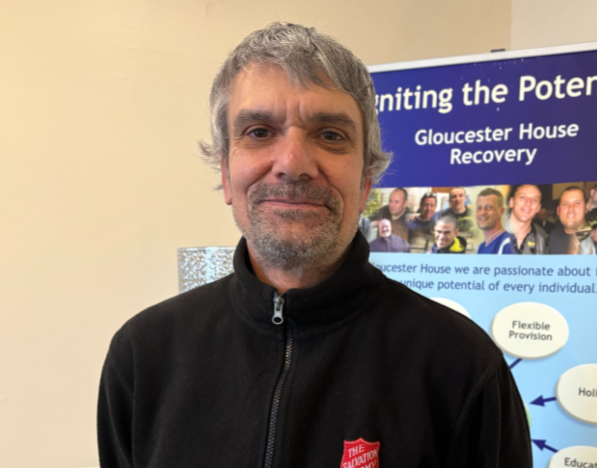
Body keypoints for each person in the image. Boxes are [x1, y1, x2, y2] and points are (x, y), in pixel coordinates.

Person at [97, 22, 531, 467]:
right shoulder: (144, 355)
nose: (292, 164)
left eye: (329, 135)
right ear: (226, 174)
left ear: (366, 182)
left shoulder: (460, 364)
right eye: (260, 132)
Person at [507, 184, 547, 254]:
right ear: (511, 202)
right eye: (522, 197)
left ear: (538, 208)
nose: (528, 203)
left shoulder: (544, 239)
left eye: (534, 200)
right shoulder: (490, 234)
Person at [547, 186, 586, 254]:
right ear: (558, 211)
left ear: (586, 209)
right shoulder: (553, 236)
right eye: (565, 204)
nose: (570, 208)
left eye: (577, 203)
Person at [475, 188, 514, 254]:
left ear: (501, 211)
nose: (483, 213)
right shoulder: (481, 247)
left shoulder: (508, 244)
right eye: (479, 208)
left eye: (489, 207)